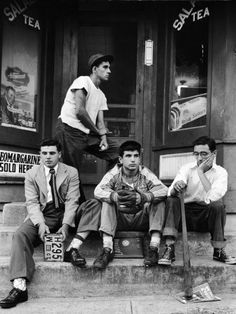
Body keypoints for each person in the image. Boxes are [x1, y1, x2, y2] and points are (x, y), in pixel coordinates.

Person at [0, 138, 81, 309]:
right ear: (40, 155)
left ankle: (71, 248)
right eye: (44, 153)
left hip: (66, 212)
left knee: (85, 210)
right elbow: (32, 203)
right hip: (44, 213)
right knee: (20, 234)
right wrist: (40, 224)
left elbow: (73, 200)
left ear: (60, 154)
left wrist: (66, 225)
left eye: (52, 153)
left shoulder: (71, 172)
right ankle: (19, 286)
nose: (48, 157)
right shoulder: (31, 173)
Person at [64, 140, 168, 270]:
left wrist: (144, 197)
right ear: (120, 159)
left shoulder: (145, 173)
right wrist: (115, 196)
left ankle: (154, 248)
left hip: (141, 219)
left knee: (159, 200)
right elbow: (98, 190)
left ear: (140, 159)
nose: (132, 160)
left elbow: (164, 190)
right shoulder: (114, 173)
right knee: (107, 200)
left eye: (136, 156)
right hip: (119, 220)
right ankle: (107, 249)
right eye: (128, 156)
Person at [158, 136, 236, 266]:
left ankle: (218, 250)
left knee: (218, 205)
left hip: (205, 218)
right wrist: (177, 187)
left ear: (214, 154)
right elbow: (169, 191)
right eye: (196, 154)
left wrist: (200, 172)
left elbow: (214, 196)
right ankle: (169, 248)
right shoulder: (186, 168)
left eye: (204, 154)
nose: (199, 158)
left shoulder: (221, 172)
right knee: (172, 200)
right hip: (184, 217)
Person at [54, 53, 119, 203]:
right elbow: (80, 111)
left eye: (109, 67)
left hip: (86, 133)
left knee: (117, 152)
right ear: (95, 69)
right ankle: (77, 209)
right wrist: (97, 132)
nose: (109, 71)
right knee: (71, 173)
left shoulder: (101, 95)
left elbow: (100, 123)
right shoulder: (83, 81)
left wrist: (103, 137)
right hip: (69, 129)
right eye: (105, 67)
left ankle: (105, 189)